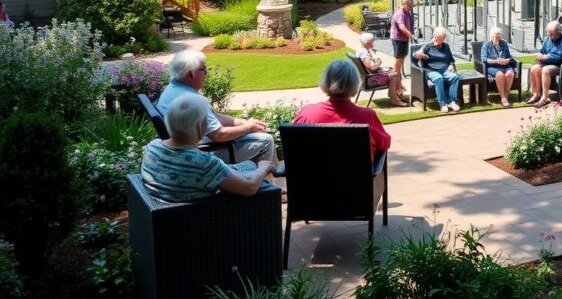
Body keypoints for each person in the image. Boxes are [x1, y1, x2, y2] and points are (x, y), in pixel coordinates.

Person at [141, 93, 276, 202]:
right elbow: (249, 188)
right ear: (200, 127)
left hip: (166, 212)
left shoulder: (152, 147)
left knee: (248, 164)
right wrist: (263, 168)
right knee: (256, 171)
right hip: (209, 218)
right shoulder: (204, 163)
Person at [157, 51, 277, 165]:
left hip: (183, 147)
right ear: (190, 74)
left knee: (253, 133)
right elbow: (219, 135)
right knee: (266, 140)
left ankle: (253, 177)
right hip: (204, 152)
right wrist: (248, 127)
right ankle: (265, 184)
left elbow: (214, 117)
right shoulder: (190, 99)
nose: (206, 73)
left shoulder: (173, 89)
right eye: (203, 69)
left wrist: (242, 123)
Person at [293, 59, 392, 160]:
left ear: (326, 82)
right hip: (356, 175)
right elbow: (384, 144)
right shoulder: (367, 117)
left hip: (314, 175)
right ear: (355, 84)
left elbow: (293, 144)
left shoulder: (307, 114)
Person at [526, 21, 562, 107]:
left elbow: (559, 57)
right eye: (549, 33)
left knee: (545, 70)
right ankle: (536, 95)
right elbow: (543, 51)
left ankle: (544, 98)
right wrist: (540, 55)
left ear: (559, 31)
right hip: (552, 63)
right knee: (534, 68)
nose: (550, 36)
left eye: (552, 34)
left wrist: (546, 57)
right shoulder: (548, 39)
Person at [413, 27, 461, 113]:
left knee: (455, 77)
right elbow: (415, 56)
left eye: (442, 38)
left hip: (444, 69)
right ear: (435, 37)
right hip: (431, 70)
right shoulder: (428, 46)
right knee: (439, 78)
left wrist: (451, 65)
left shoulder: (446, 46)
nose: (440, 41)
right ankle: (442, 103)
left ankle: (452, 101)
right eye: (438, 38)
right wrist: (418, 55)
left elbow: (451, 59)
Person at [357, 32, 406, 106]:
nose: (373, 44)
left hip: (367, 78)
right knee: (394, 74)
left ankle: (397, 93)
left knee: (393, 71)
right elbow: (373, 67)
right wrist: (378, 60)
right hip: (371, 80)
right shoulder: (364, 54)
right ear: (367, 43)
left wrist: (372, 53)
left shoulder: (362, 50)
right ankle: (395, 98)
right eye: (372, 42)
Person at [481, 27, 516, 107]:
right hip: (492, 66)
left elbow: (508, 56)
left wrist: (507, 60)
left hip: (505, 65)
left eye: (500, 34)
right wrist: (497, 61)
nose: (499, 36)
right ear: (492, 35)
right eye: (497, 35)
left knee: (510, 74)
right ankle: (503, 98)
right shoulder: (486, 44)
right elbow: (484, 59)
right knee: (500, 74)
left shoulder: (504, 43)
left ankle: (506, 96)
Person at [390, 0, 417, 78]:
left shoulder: (407, 12)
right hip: (398, 39)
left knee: (403, 55)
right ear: (404, 4)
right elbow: (402, 27)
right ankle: (396, 76)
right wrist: (411, 36)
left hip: (404, 38)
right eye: (409, 5)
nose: (410, 7)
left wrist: (411, 34)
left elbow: (410, 25)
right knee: (398, 57)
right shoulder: (400, 13)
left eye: (411, 5)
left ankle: (399, 74)